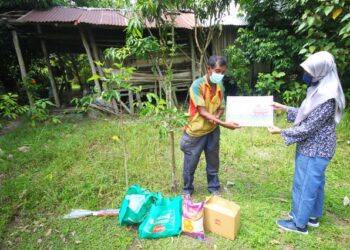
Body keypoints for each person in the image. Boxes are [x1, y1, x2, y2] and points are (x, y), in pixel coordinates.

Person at [268, 51, 346, 235]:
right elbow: (309, 113)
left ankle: (298, 223)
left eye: (311, 72)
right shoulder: (322, 87)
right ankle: (312, 216)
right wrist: (285, 108)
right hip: (317, 146)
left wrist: (281, 131)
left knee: (304, 184)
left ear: (321, 71)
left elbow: (308, 127)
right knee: (315, 183)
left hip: (314, 148)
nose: (307, 75)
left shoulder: (327, 96)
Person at [180, 55, 240, 197]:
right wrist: (224, 123)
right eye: (218, 71)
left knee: (213, 161)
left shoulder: (220, 86)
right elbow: (201, 111)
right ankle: (187, 189)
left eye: (223, 72)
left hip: (212, 130)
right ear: (209, 69)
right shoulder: (197, 85)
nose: (220, 75)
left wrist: (217, 117)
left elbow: (221, 107)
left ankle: (214, 187)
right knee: (190, 163)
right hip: (196, 131)